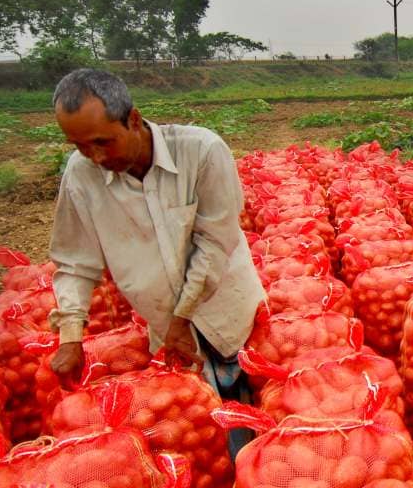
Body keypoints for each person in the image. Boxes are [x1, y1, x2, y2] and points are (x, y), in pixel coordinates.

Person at [46, 68, 265, 453]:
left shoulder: (201, 152)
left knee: (254, 416)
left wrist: (182, 318)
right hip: (167, 328)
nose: (95, 157)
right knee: (200, 435)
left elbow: (215, 242)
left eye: (103, 142)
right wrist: (70, 336)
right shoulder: (81, 176)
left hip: (230, 314)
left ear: (133, 119)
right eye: (79, 146)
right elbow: (74, 262)